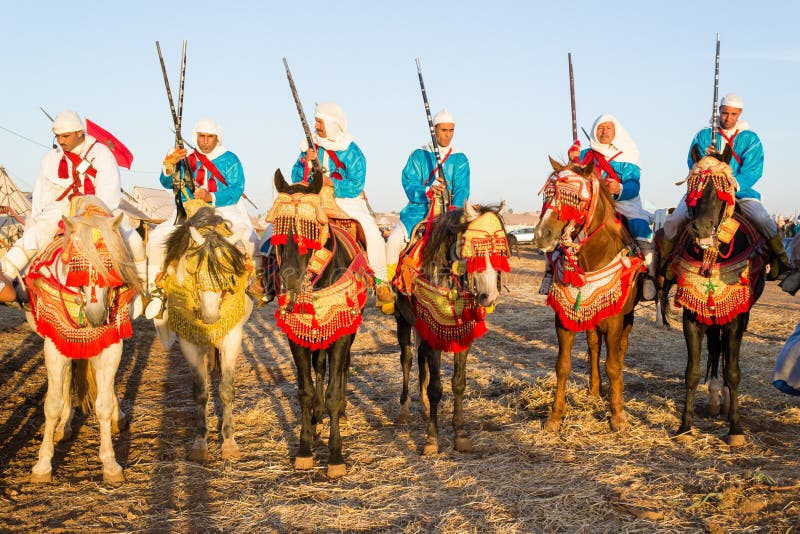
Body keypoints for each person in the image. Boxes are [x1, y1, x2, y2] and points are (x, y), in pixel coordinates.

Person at [0, 110, 146, 311]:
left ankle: (144, 290)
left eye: (65, 136)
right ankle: (7, 278)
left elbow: (109, 194)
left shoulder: (102, 154)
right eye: (58, 136)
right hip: (61, 208)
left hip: (99, 210)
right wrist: (41, 218)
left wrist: (92, 214)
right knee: (35, 234)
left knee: (135, 241)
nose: (61, 140)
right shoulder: (50, 158)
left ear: (79, 132)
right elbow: (43, 193)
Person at [662, 93, 790, 278]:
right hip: (704, 189)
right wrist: (707, 160)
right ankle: (667, 260)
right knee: (675, 219)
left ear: (740, 114)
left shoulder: (750, 139)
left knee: (762, 219)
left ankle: (781, 261)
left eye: (732, 114)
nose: (727, 118)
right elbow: (693, 161)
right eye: (724, 113)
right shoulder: (705, 135)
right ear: (719, 112)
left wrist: (733, 182)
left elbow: (754, 169)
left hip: (741, 191)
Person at [145, 117, 258, 319]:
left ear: (218, 138)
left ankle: (254, 283)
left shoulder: (230, 159)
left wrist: (210, 196)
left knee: (252, 240)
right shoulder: (184, 156)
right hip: (188, 213)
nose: (205, 141)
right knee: (154, 241)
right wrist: (169, 164)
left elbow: (237, 188)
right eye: (202, 136)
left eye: (210, 137)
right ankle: (156, 290)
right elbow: (165, 182)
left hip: (224, 211)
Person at [290, 102, 391, 308]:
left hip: (346, 201)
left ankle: (381, 282)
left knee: (372, 233)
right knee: (278, 228)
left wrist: (331, 183)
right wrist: (305, 164)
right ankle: (268, 279)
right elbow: (295, 177)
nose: (316, 126)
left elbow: (356, 184)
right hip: (314, 199)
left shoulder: (352, 151)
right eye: (316, 121)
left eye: (320, 122)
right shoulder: (309, 148)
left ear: (332, 123)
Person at [384, 109, 470, 312]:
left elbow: (462, 189)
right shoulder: (418, 155)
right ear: (434, 130)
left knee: (473, 246)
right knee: (393, 242)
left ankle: (474, 292)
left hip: (450, 214)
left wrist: (454, 213)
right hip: (419, 211)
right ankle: (386, 290)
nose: (448, 134)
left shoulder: (460, 159)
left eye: (451, 130)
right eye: (444, 130)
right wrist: (428, 189)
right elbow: (408, 182)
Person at [566, 114, 656, 300]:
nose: (604, 131)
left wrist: (619, 188)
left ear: (616, 131)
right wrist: (572, 162)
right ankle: (552, 273)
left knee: (639, 227)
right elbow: (572, 180)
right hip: (590, 206)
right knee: (563, 229)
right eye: (600, 128)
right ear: (594, 131)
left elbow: (634, 185)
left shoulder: (627, 156)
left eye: (608, 128)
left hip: (622, 204)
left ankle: (649, 273)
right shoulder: (584, 155)